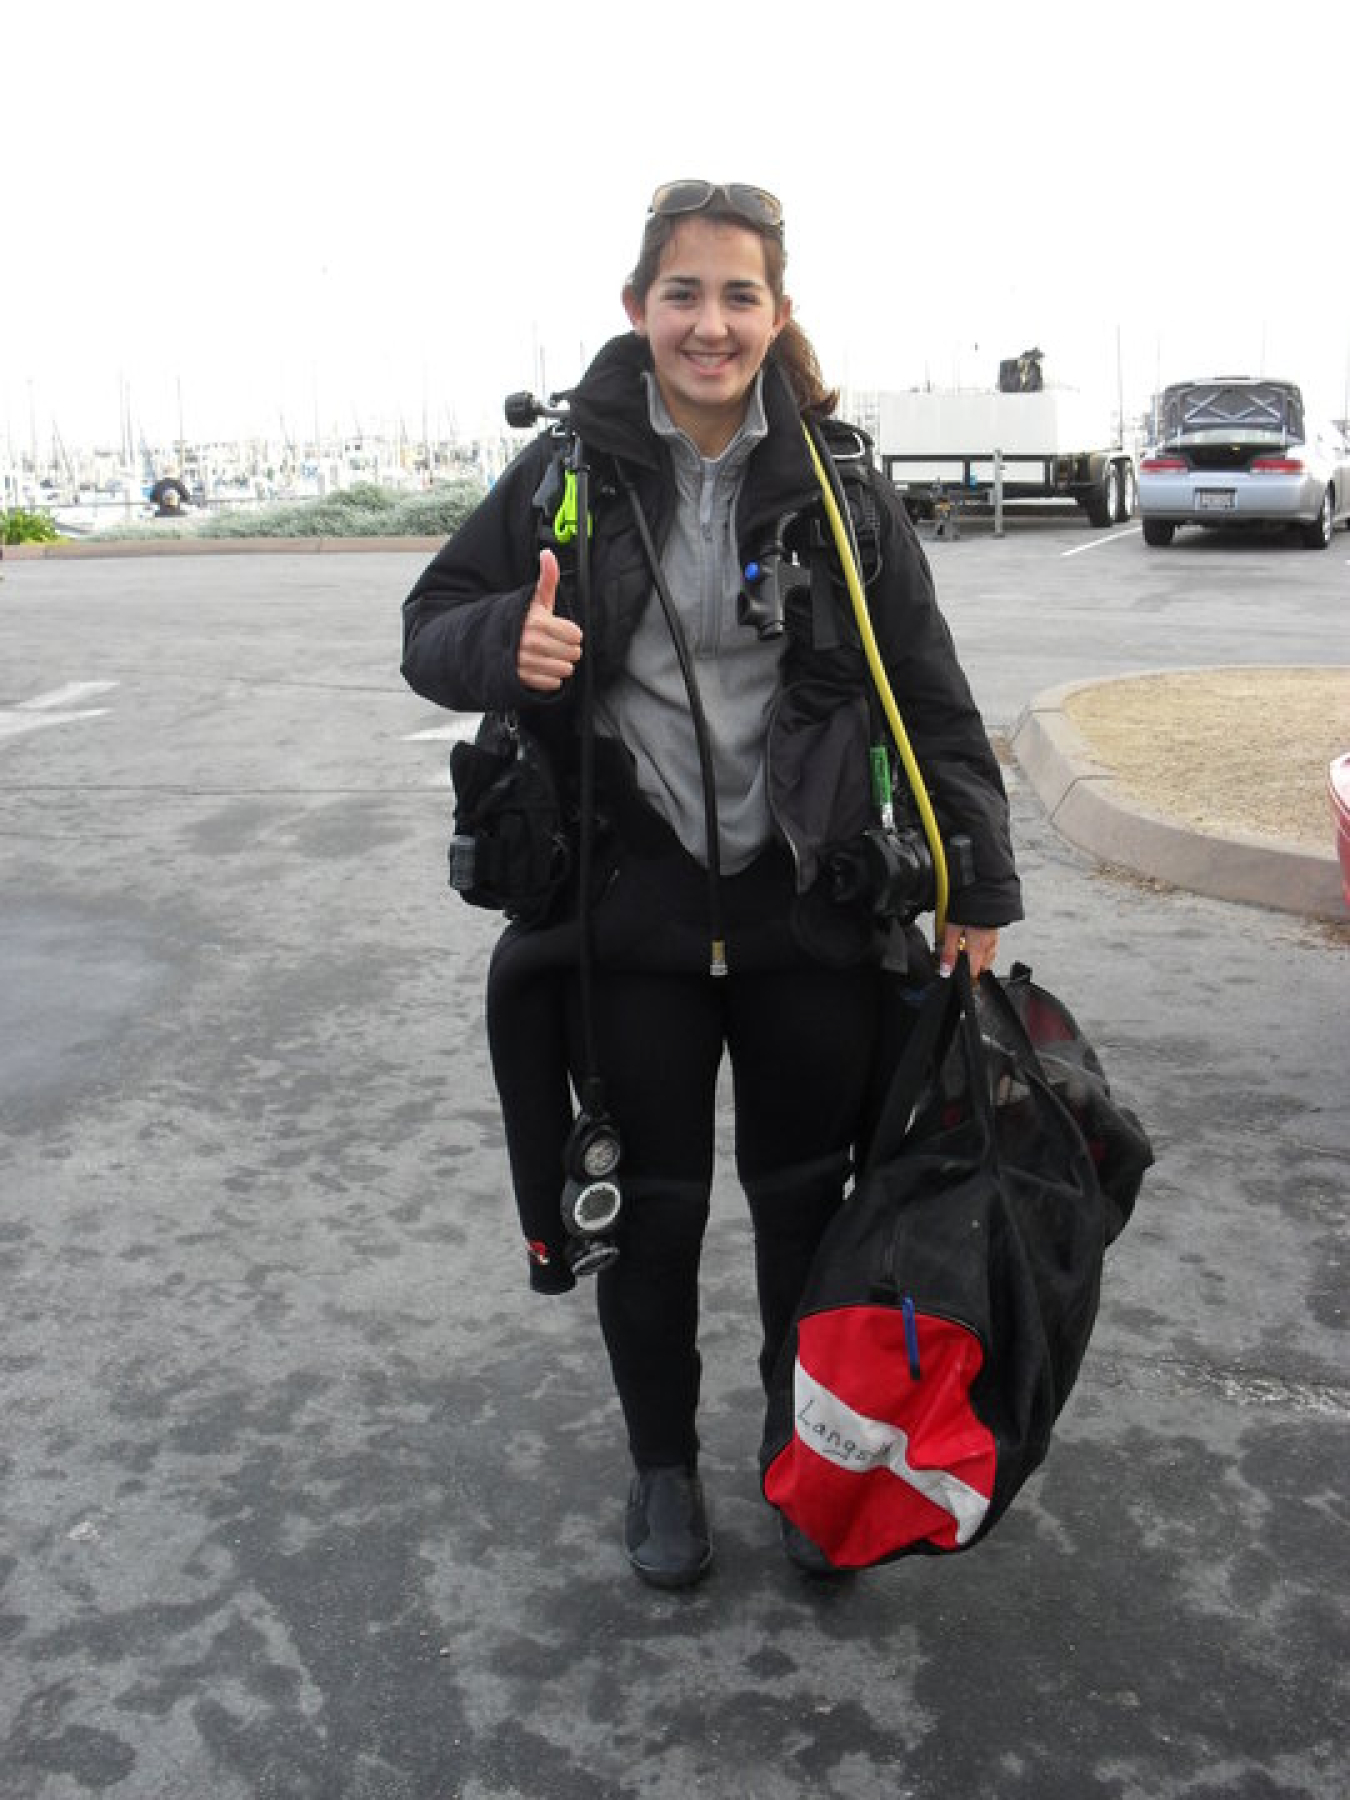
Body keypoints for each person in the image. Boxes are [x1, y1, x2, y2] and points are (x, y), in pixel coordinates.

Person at [401, 180, 1021, 1589]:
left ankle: (804, 1469)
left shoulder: (842, 484)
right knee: (656, 1209)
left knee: (812, 1200)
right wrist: (512, 641)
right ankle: (662, 1469)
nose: (710, 321)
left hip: (809, 905)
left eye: (739, 294)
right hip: (632, 909)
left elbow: (926, 692)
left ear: (777, 315)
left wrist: (978, 883)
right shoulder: (567, 475)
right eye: (683, 292)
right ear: (637, 310)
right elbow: (428, 625)